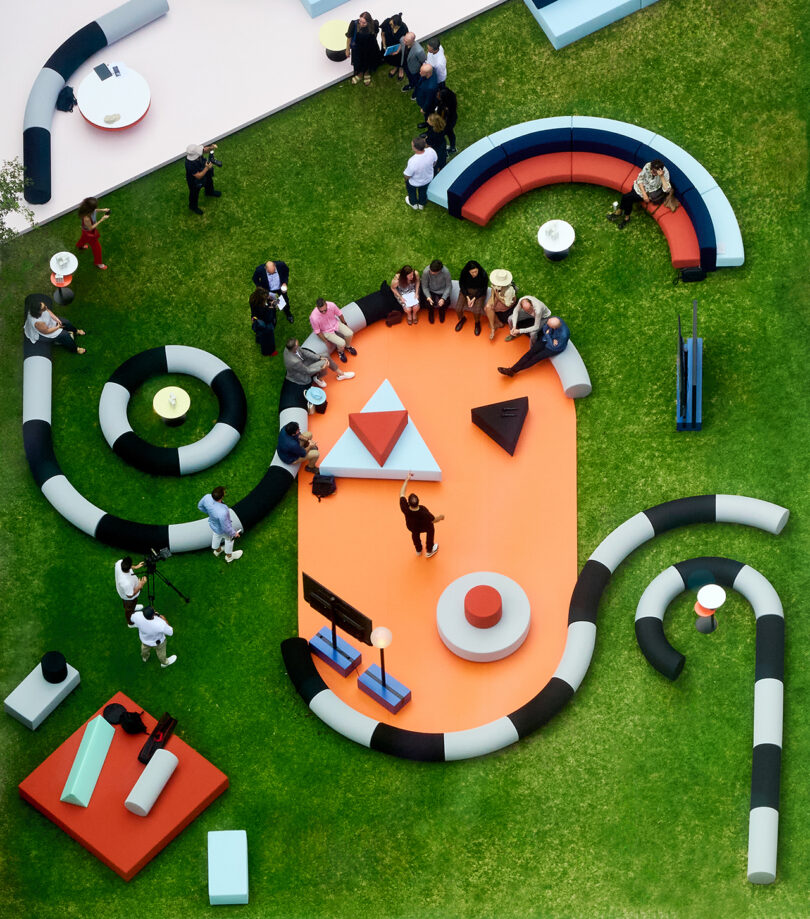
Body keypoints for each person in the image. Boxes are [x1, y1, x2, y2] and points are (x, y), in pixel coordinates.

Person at [608, 159, 677, 228]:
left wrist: (661, 176)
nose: (651, 172)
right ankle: (625, 217)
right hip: (640, 187)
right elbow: (640, 179)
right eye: (651, 169)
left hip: (650, 191)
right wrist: (644, 194)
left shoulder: (665, 173)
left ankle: (621, 213)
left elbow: (667, 190)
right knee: (628, 198)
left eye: (654, 171)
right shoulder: (648, 166)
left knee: (626, 197)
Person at [498, 316, 570, 377]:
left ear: (554, 327)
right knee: (530, 353)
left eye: (549, 325)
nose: (547, 324)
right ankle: (512, 370)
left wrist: (548, 335)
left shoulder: (563, 335)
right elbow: (545, 329)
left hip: (552, 349)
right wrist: (550, 337)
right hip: (545, 339)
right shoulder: (554, 320)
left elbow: (553, 346)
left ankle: (512, 371)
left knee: (535, 358)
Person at [399, 472, 444, 558]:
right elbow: (433, 520)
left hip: (412, 527)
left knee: (415, 534)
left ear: (408, 503)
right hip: (423, 526)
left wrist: (407, 479)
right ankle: (429, 550)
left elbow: (402, 493)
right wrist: (441, 517)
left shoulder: (405, 508)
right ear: (418, 501)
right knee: (431, 528)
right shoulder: (423, 511)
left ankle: (418, 549)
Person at [197, 486, 243, 563]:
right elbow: (226, 527)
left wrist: (211, 513)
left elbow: (200, 506)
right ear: (221, 496)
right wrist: (234, 533)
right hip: (222, 529)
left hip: (214, 526)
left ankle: (217, 551)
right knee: (229, 540)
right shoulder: (222, 511)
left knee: (216, 536)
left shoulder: (207, 497)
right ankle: (229, 557)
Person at [283, 338, 354, 385]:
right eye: (297, 345)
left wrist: (319, 357)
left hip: (303, 363)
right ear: (294, 347)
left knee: (325, 355)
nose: (299, 345)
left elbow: (304, 352)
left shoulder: (290, 348)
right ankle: (318, 378)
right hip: (301, 373)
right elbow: (307, 371)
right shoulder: (294, 361)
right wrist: (322, 368)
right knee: (324, 363)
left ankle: (341, 374)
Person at [309, 298, 358, 362]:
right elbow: (317, 331)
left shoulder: (332, 305)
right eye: (321, 311)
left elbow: (339, 314)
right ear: (317, 307)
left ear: (326, 304)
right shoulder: (313, 317)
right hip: (326, 331)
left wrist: (345, 323)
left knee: (350, 333)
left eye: (325, 310)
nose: (323, 312)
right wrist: (326, 341)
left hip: (335, 323)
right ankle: (341, 352)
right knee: (341, 343)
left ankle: (348, 346)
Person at [185, 142, 221, 215]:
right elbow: (198, 176)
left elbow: (204, 150)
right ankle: (193, 206)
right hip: (194, 180)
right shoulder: (189, 164)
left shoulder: (197, 152)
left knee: (209, 181)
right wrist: (207, 168)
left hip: (203, 169)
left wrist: (211, 147)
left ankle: (209, 192)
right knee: (194, 193)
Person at [454, 260, 489, 335]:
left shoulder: (483, 274)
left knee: (477, 311)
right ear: (468, 271)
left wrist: (473, 299)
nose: (474, 274)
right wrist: (467, 297)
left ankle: (477, 323)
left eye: (476, 271)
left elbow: (483, 289)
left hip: (479, 292)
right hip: (466, 291)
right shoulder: (464, 273)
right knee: (458, 308)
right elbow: (462, 285)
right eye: (472, 272)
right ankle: (462, 319)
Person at [346, 12, 381, 85]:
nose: (361, 24)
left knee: (368, 60)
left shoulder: (374, 24)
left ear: (368, 22)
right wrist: (347, 50)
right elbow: (349, 37)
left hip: (370, 47)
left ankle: (366, 73)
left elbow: (375, 34)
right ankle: (360, 73)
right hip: (358, 47)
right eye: (360, 21)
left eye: (364, 23)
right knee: (358, 60)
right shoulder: (354, 24)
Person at [403, 137, 437, 211]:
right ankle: (422, 204)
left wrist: (406, 180)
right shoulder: (431, 151)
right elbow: (434, 162)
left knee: (411, 192)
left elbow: (407, 175)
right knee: (423, 191)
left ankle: (414, 204)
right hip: (427, 179)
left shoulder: (412, 161)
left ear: (415, 148)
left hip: (414, 182)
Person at [76, 197, 109, 269]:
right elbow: (91, 228)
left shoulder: (90, 210)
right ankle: (98, 263)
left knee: (83, 238)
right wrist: (102, 219)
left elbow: (95, 210)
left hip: (84, 231)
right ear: (90, 209)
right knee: (97, 248)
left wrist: (103, 210)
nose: (96, 208)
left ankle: (80, 246)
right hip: (89, 233)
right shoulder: (86, 218)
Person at [484, 268, 517, 341]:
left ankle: (496, 326)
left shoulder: (509, 291)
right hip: (498, 296)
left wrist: (498, 297)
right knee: (487, 307)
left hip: (506, 301)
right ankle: (495, 325)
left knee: (489, 308)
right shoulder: (495, 282)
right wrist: (492, 298)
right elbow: (493, 288)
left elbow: (507, 304)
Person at [114, 556, 147, 627]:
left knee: (132, 604)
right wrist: (141, 585)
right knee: (129, 610)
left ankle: (133, 607)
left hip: (124, 591)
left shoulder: (119, 562)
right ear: (129, 568)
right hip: (128, 598)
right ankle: (130, 623)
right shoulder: (126, 583)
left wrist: (136, 567)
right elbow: (130, 595)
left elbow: (127, 565)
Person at [420, 259, 452, 324]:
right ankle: (431, 312)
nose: (431, 273)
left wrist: (443, 298)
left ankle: (442, 311)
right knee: (428, 303)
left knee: (446, 302)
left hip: (442, 290)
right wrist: (428, 296)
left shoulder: (446, 272)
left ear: (440, 270)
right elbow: (425, 286)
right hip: (431, 290)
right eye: (431, 271)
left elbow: (449, 286)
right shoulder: (426, 272)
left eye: (434, 272)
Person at [249, 288, 278, 356]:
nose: (268, 297)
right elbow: (269, 318)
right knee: (268, 339)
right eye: (266, 297)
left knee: (260, 334)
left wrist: (269, 303)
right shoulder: (262, 308)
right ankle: (269, 352)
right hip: (266, 324)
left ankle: (258, 339)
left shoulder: (253, 299)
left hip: (258, 322)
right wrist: (272, 307)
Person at [382, 13, 407, 79]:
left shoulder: (404, 28)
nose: (392, 27)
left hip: (399, 46)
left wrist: (398, 51)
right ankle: (396, 67)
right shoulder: (386, 22)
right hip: (388, 45)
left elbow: (404, 41)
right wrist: (384, 46)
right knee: (392, 58)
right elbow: (383, 34)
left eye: (395, 27)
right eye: (391, 25)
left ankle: (401, 68)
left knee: (399, 57)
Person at [434, 86, 457, 154]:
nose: (437, 95)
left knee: (443, 135)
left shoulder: (446, 109)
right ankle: (452, 147)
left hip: (447, 123)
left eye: (439, 95)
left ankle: (450, 148)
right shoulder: (450, 101)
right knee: (450, 134)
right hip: (449, 121)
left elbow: (442, 118)